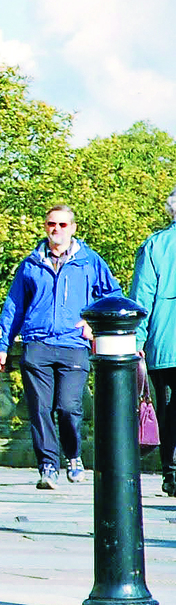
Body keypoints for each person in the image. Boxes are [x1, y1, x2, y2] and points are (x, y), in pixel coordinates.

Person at [0, 204, 120, 489]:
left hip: (74, 344)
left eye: (63, 225)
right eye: (52, 224)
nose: (57, 230)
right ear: (45, 227)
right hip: (37, 343)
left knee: (68, 407)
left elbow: (113, 296)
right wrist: (3, 345)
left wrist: (93, 325)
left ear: (73, 228)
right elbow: (14, 306)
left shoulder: (89, 261)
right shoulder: (30, 263)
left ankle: (73, 456)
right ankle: (47, 465)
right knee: (40, 409)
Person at [130, 188, 176, 496]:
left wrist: (137, 341)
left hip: (166, 344)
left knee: (169, 410)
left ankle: (171, 473)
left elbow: (141, 298)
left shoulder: (155, 246)